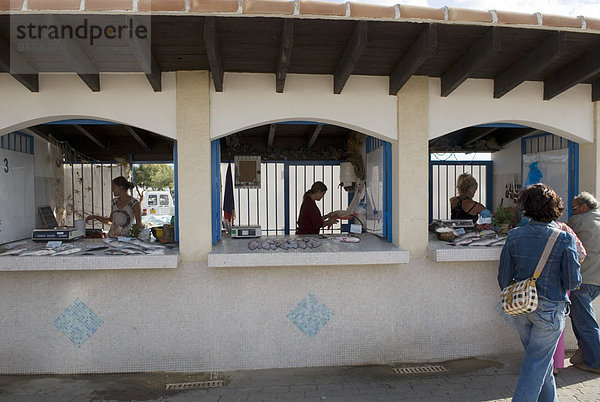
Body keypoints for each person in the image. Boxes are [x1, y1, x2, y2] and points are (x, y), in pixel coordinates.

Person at [497, 183, 581, 401]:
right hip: (550, 309)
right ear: (555, 207)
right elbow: (572, 282)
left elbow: (504, 279)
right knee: (536, 364)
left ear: (525, 206)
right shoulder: (564, 238)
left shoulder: (514, 235)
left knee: (541, 362)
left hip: (521, 308)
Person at [567, 191, 600, 374]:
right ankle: (585, 353)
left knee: (585, 322)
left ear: (584, 207)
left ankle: (595, 362)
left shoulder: (578, 222)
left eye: (574, 208)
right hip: (597, 280)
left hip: (583, 279)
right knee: (581, 318)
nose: (572, 212)